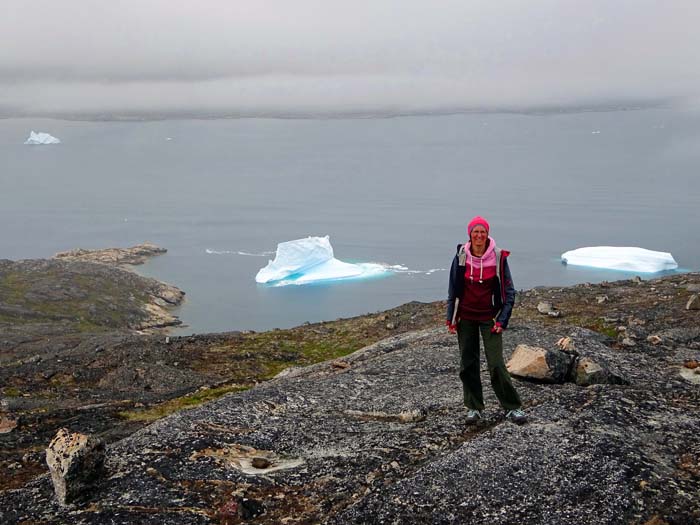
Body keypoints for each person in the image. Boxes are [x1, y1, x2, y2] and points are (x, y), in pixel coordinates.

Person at [446, 216, 526, 424]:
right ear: (470, 235)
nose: (479, 236)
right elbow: (453, 288)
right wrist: (451, 318)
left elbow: (509, 291)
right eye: (475, 232)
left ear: (487, 234)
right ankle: (474, 407)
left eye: (483, 232)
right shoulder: (461, 256)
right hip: (465, 317)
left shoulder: (498, 257)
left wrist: (502, 320)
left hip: (489, 318)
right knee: (468, 364)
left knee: (497, 364)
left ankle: (512, 407)